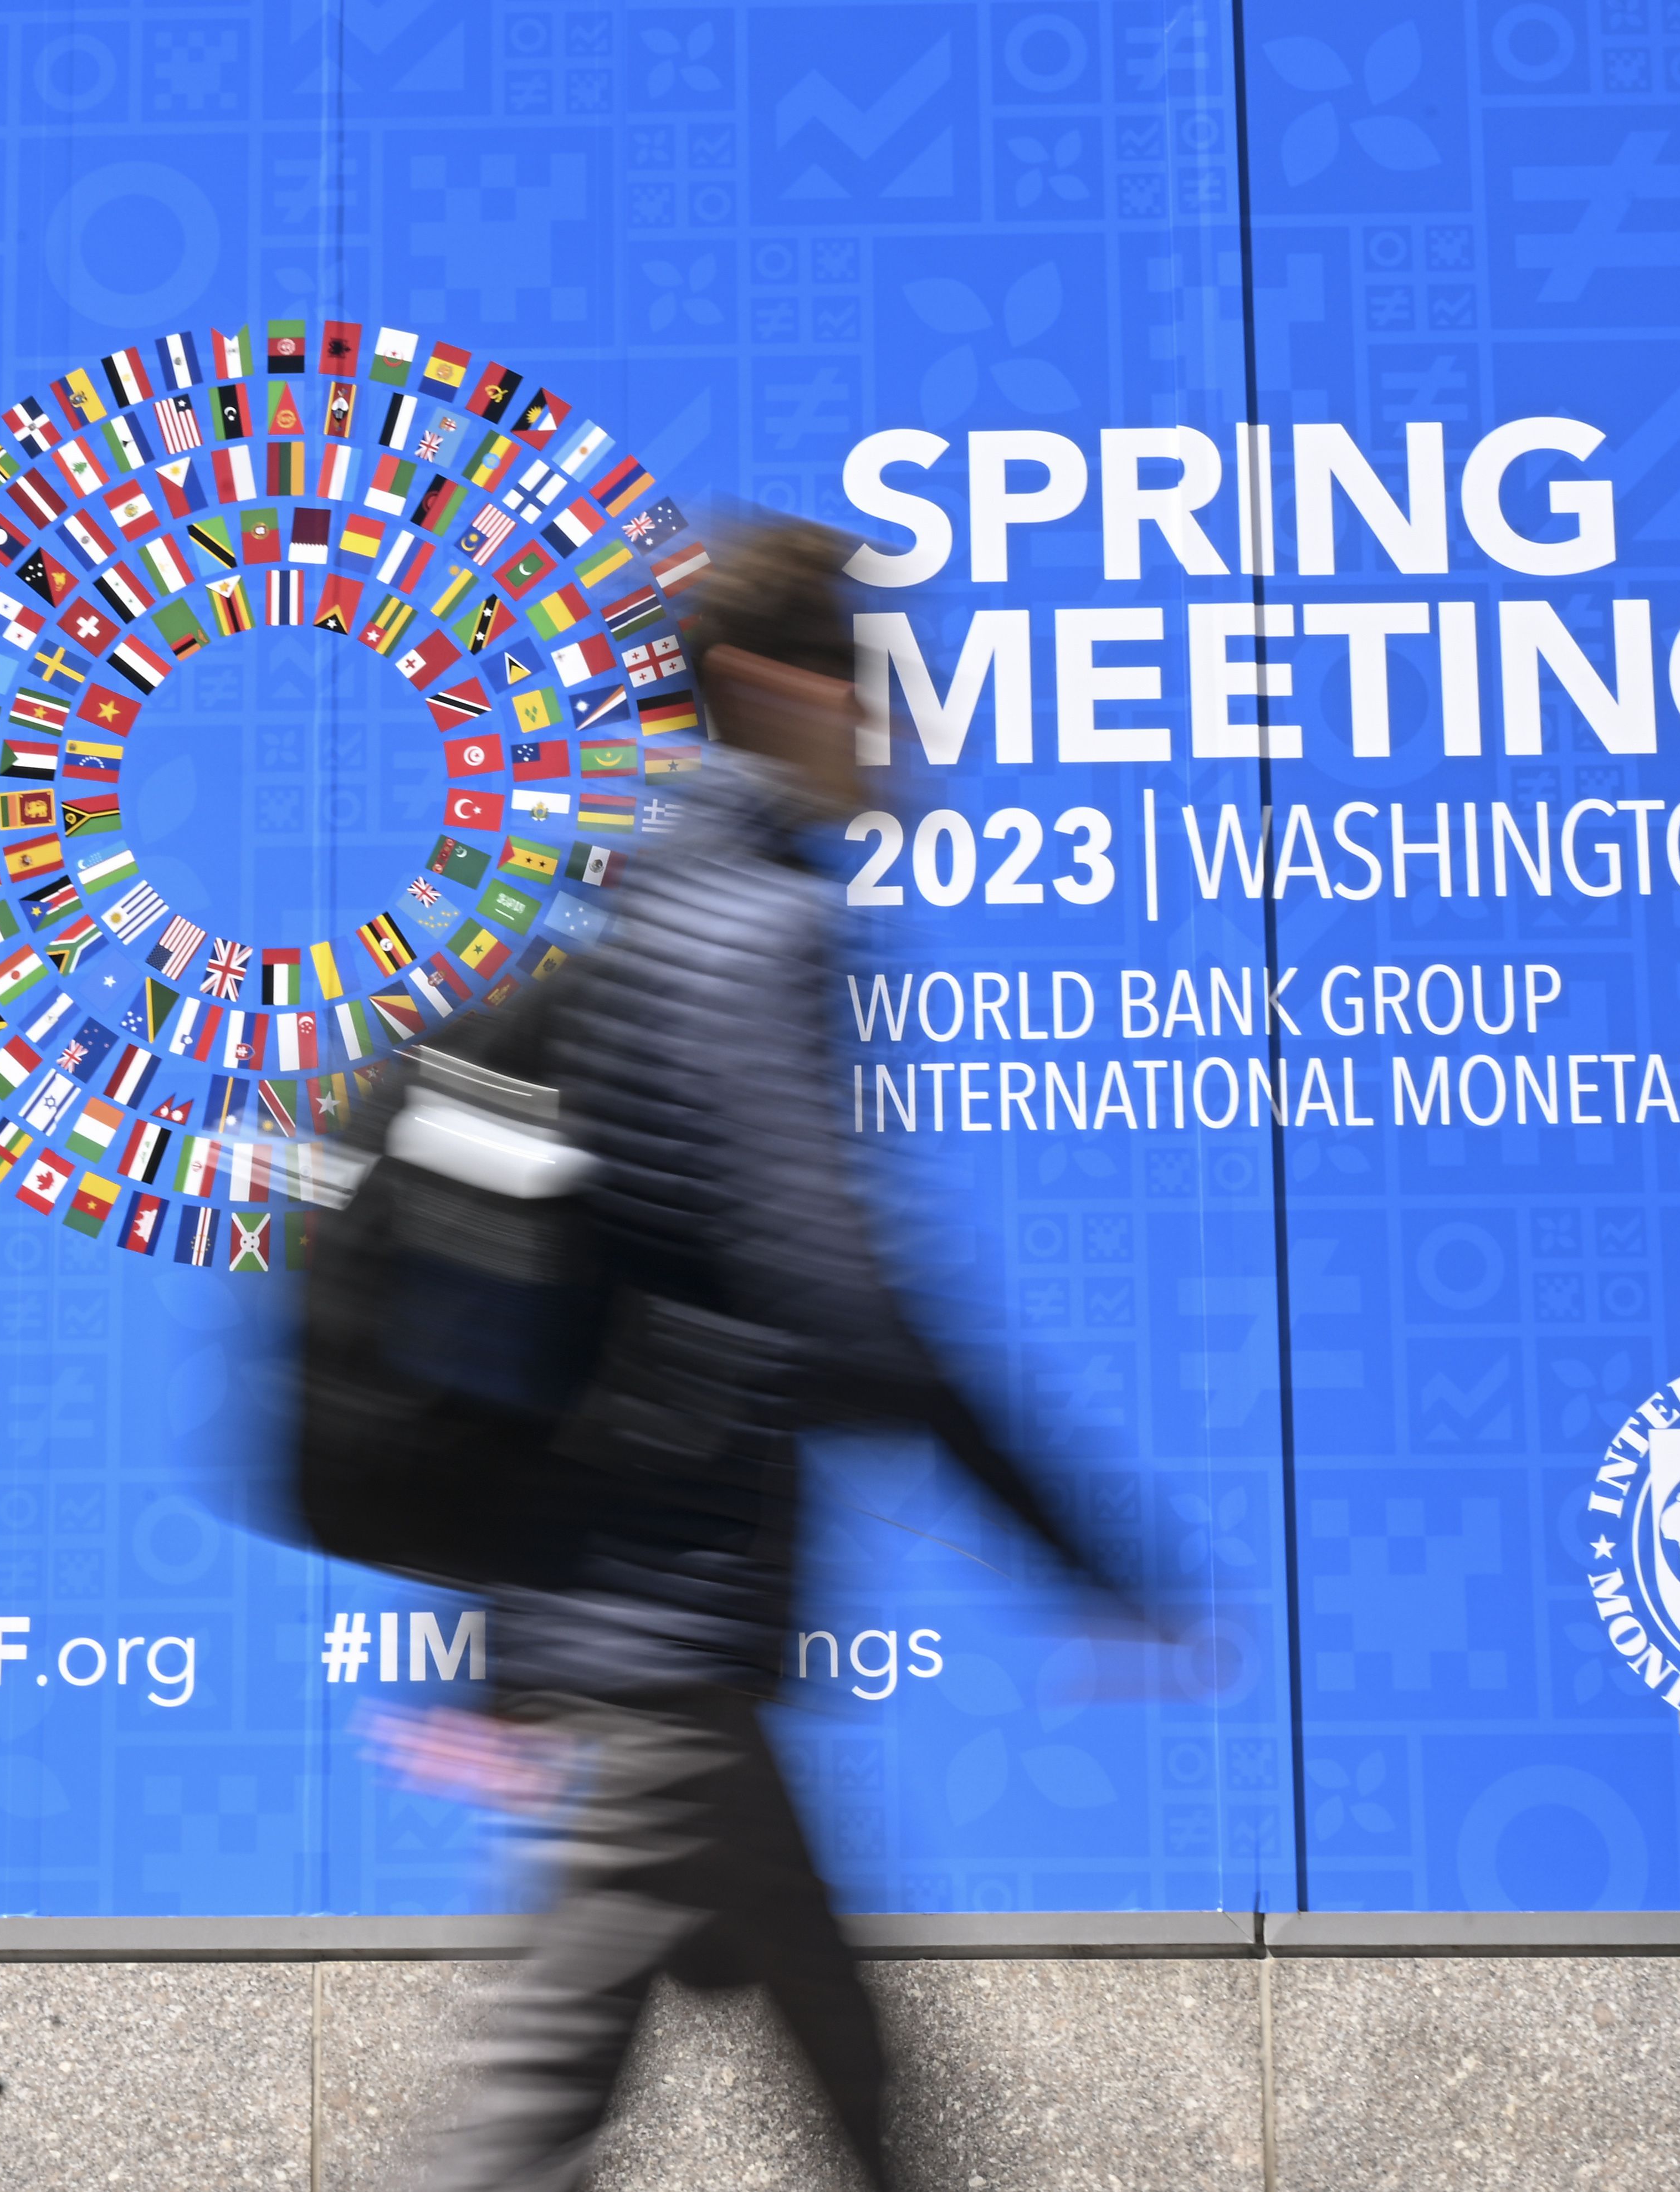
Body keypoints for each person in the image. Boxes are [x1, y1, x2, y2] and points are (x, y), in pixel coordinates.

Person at [416, 519, 1134, 2192]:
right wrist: (1070, 1545)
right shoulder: (758, 931)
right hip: (670, 1605)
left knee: (844, 2053)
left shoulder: (622, 918)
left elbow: (549, 1303)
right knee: (537, 2105)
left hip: (642, 1595)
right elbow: (835, 1294)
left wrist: (491, 1628)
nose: (904, 731)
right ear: (768, 687)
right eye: (875, 689)